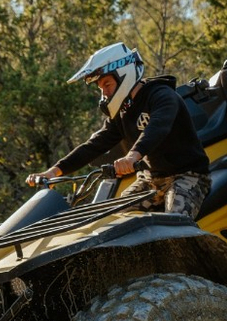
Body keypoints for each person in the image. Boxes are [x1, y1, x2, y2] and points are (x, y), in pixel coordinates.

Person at [26, 42, 211, 219]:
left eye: (107, 85)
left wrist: (131, 157)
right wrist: (53, 172)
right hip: (149, 180)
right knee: (111, 223)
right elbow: (94, 145)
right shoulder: (123, 111)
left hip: (187, 176)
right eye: (101, 88)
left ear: (124, 74)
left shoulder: (162, 96)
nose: (104, 93)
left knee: (176, 225)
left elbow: (157, 127)